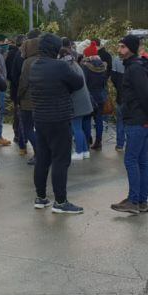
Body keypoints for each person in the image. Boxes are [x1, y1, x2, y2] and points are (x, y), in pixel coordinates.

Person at [29, 33, 86, 214]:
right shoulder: (60, 66)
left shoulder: (33, 66)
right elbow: (78, 82)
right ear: (55, 48)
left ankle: (40, 197)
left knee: (42, 159)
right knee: (61, 160)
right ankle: (60, 202)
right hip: (59, 118)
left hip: (40, 118)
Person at [111, 35, 148, 214]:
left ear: (131, 49)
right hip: (141, 120)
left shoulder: (135, 68)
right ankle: (141, 201)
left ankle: (134, 200)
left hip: (137, 121)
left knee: (132, 160)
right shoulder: (137, 66)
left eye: (123, 47)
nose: (119, 50)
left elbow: (145, 96)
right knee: (142, 161)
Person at [17, 36, 41, 164]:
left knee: (28, 128)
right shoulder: (43, 59)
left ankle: (39, 153)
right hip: (42, 100)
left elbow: (23, 83)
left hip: (28, 101)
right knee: (40, 129)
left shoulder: (27, 62)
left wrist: (18, 97)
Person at [66, 50, 93, 161]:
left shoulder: (69, 68)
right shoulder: (76, 65)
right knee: (79, 128)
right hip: (84, 102)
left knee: (76, 128)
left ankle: (79, 152)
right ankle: (85, 151)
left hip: (77, 103)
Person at [83, 55, 109, 151]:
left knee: (87, 120)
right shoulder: (103, 68)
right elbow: (104, 83)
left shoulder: (86, 68)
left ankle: (87, 140)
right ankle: (98, 141)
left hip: (89, 97)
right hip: (101, 96)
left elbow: (84, 82)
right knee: (99, 120)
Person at [6, 36, 26, 154]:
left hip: (15, 88)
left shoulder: (10, 54)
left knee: (17, 113)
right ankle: (20, 136)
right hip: (20, 89)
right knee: (20, 114)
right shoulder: (20, 56)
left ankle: (18, 135)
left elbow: (10, 74)